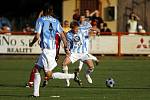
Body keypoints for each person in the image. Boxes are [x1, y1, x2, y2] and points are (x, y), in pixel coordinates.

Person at [28, 4, 81, 97]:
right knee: (36, 69)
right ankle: (35, 94)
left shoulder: (40, 20)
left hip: (47, 51)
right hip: (51, 50)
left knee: (48, 74)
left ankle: (73, 76)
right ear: (52, 11)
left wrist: (32, 43)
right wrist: (66, 48)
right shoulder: (56, 21)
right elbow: (62, 36)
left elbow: (37, 36)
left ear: (44, 11)